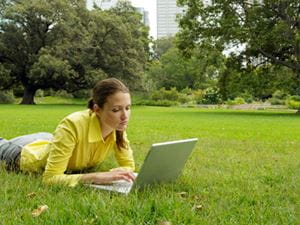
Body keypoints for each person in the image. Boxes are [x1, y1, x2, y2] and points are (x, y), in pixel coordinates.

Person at [0, 78, 136, 187]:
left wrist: (123, 171)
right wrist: (96, 177)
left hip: (47, 140)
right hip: (23, 153)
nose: (125, 116)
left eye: (128, 108)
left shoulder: (117, 126)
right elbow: (50, 178)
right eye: (116, 110)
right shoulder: (72, 125)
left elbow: (128, 164)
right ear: (97, 109)